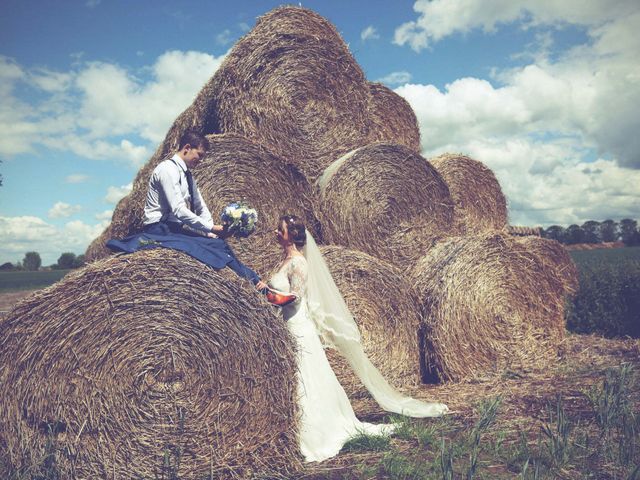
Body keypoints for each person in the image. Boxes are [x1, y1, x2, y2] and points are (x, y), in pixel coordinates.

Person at [256, 215, 448, 462]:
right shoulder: (286, 261)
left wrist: (266, 293)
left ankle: (314, 433)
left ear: (290, 235)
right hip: (286, 326)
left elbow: (295, 297)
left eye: (279, 229)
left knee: (305, 379)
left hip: (297, 326)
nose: (275, 232)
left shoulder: (299, 264)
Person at [106, 129, 261, 285]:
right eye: (199, 155)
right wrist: (212, 228)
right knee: (208, 250)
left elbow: (200, 205)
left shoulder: (187, 175)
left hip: (174, 229)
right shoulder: (167, 170)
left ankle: (255, 281)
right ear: (187, 148)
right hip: (159, 229)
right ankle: (255, 284)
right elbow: (178, 210)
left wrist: (211, 232)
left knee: (218, 244)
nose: (200, 160)